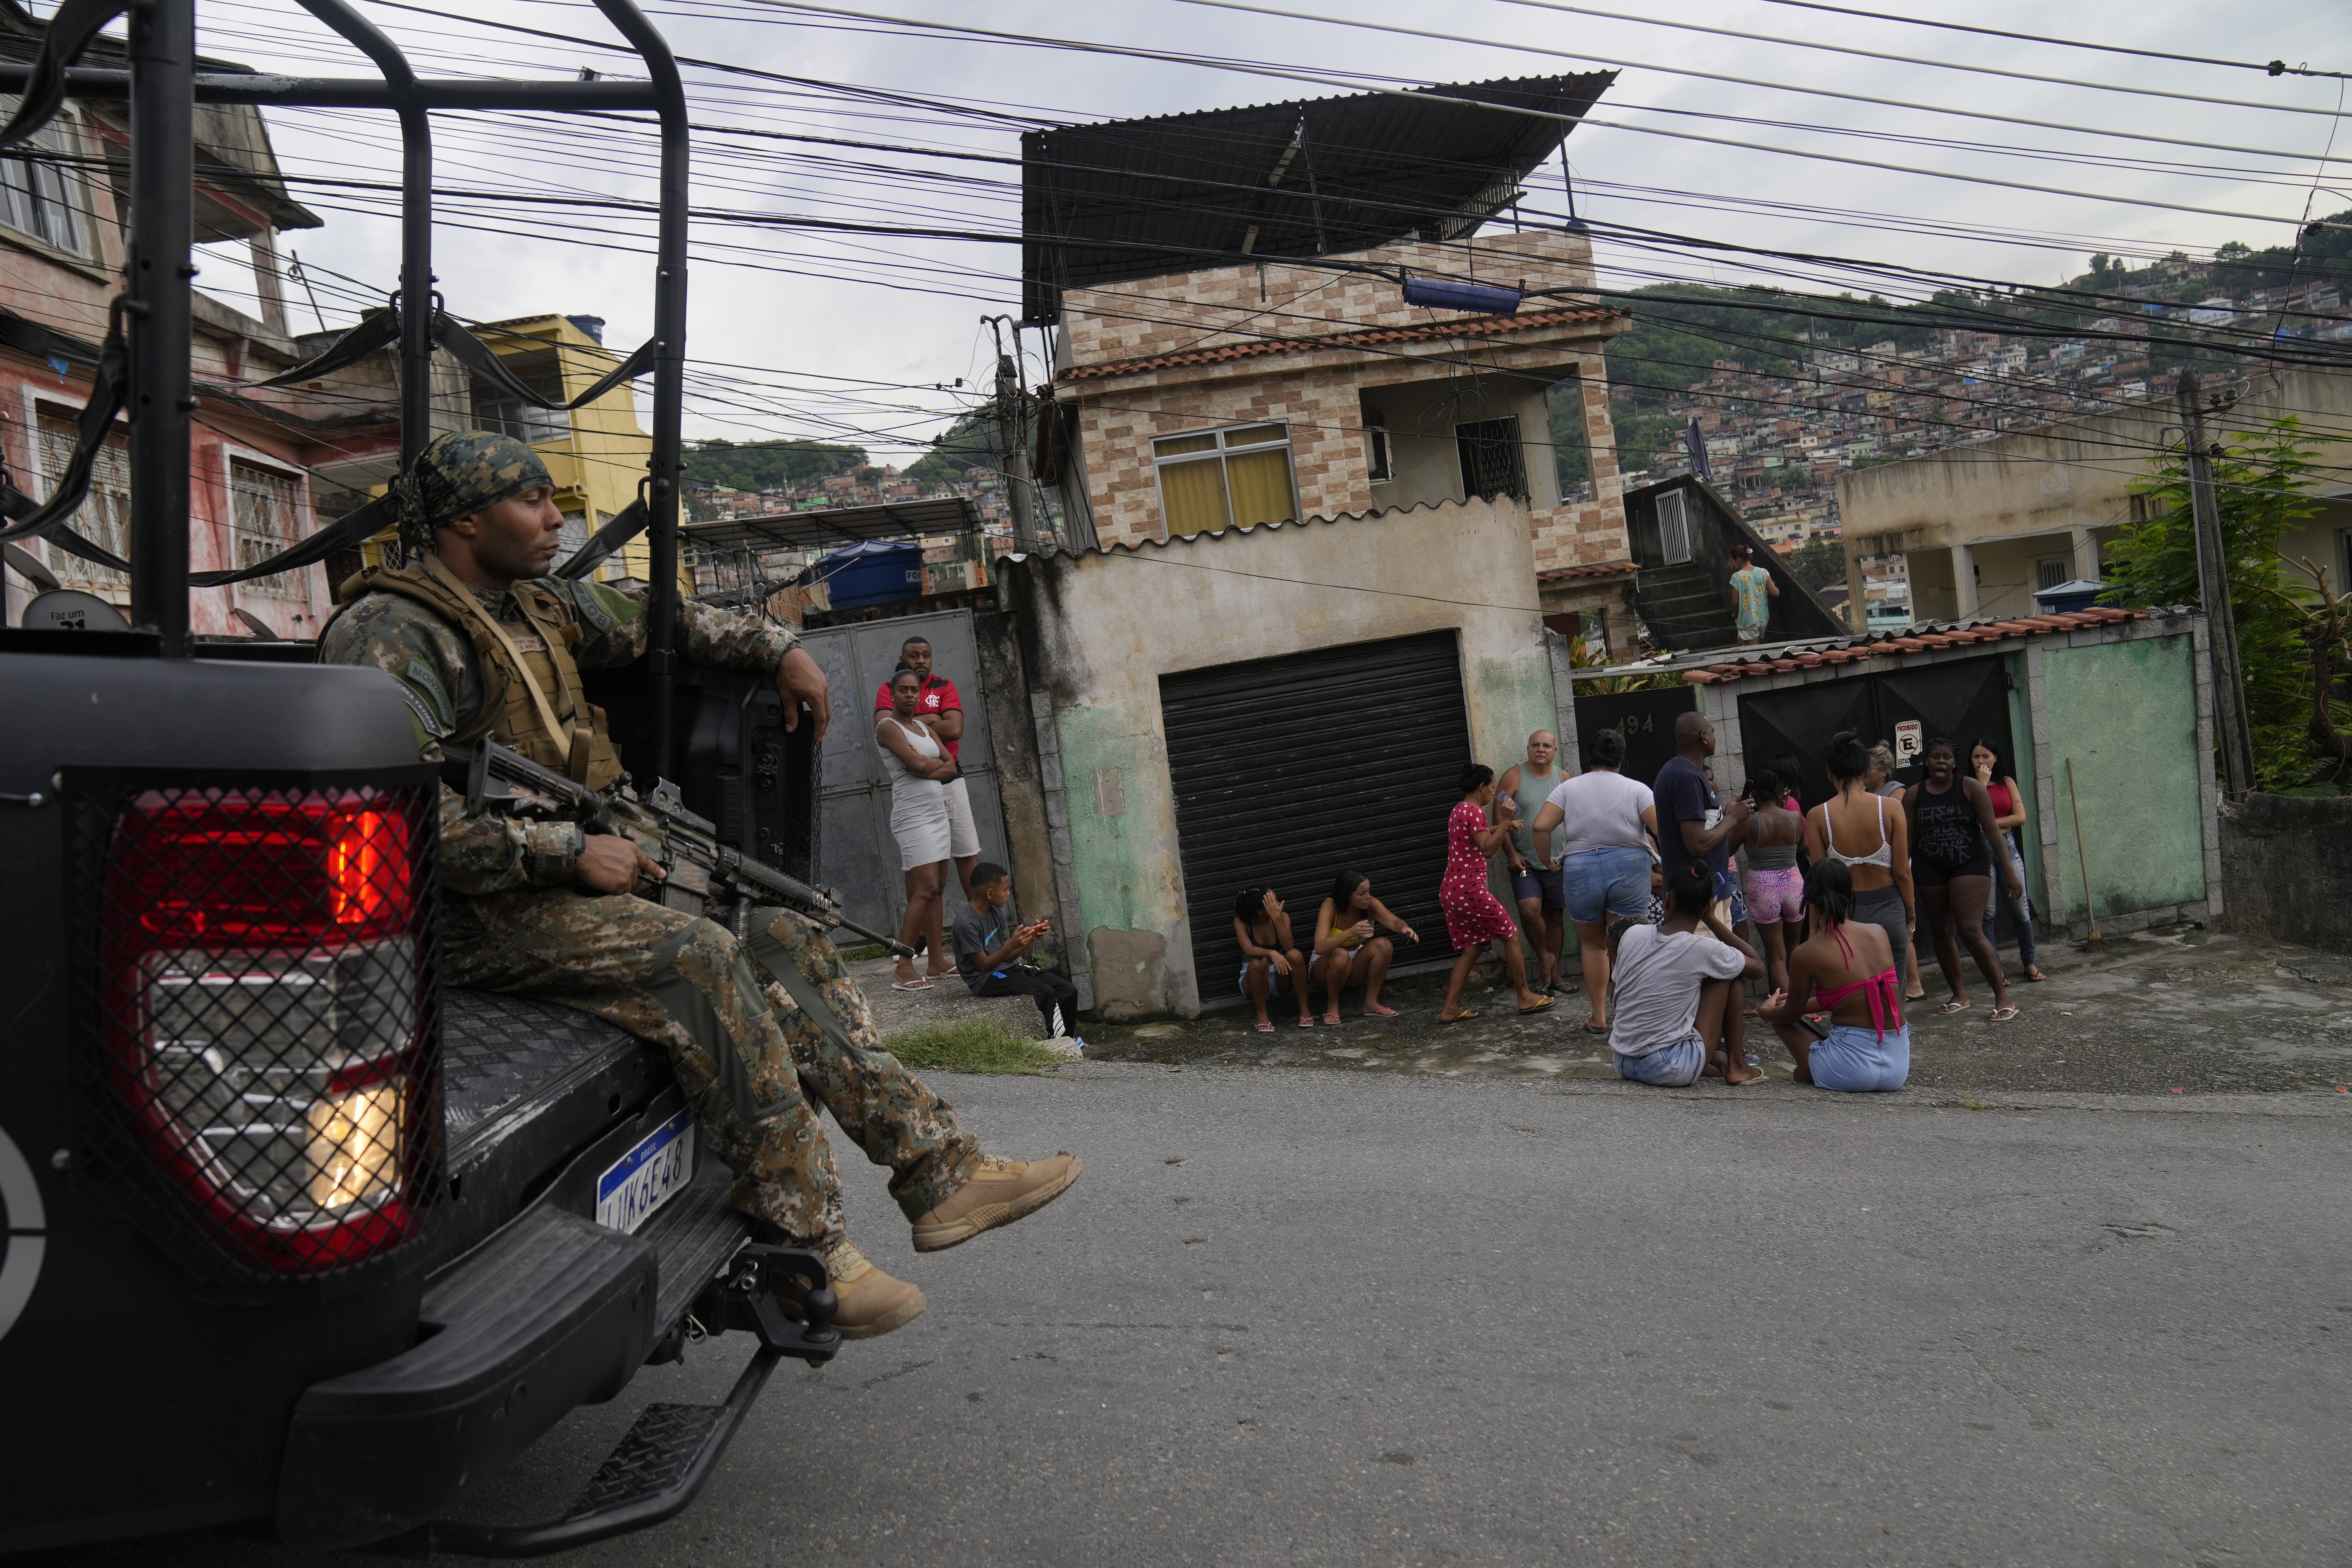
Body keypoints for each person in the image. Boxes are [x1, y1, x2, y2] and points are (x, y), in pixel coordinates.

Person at [321, 430, 1078, 1340]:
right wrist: (563, 854)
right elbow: (386, 824)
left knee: (786, 934)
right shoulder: (389, 637)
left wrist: (774, 647)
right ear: (465, 521)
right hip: (473, 915)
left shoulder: (532, 606)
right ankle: (808, 1250)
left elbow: (663, 619)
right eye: (532, 501)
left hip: (567, 879)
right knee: (703, 956)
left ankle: (941, 1175)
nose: (556, 516)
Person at [1525, 727, 1656, 1035]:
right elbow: (1659, 827)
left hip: (1580, 869)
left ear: (1589, 758)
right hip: (1629, 867)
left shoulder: (1569, 789)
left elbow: (1541, 827)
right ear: (1621, 760)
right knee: (1627, 943)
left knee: (1594, 944)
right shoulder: (1637, 789)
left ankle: (1599, 1018)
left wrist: (1548, 862)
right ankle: (1630, 1019)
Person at [1757, 859, 1910, 1091]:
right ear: (1850, 894)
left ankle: (1817, 1071)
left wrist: (1766, 1010)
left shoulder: (1806, 953)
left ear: (1808, 898)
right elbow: (1854, 995)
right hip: (1897, 1068)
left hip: (1853, 1071)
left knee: (1782, 1025)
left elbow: (1790, 1015)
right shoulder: (1878, 933)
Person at [1607, 864, 1764, 1085]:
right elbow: (1757, 967)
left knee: (1719, 969)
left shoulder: (1633, 934)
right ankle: (1736, 1065)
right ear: (1704, 909)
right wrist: (1711, 919)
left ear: (1668, 900)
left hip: (1623, 1062)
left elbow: (1617, 995)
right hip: (1667, 1066)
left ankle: (1719, 1061)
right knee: (1732, 973)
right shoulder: (1704, 948)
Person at [1905, 737, 2021, 1021]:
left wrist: (2009, 871)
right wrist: (1902, 876)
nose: (1941, 762)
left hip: (1969, 863)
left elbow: (1993, 831)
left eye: (1946, 757)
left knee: (1970, 929)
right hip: (1930, 868)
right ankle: (1959, 994)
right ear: (1928, 763)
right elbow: (1907, 841)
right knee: (1942, 932)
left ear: (1955, 762)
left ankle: (2003, 997)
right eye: (1935, 757)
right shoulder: (1914, 795)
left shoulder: (1971, 788)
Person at [1804, 730, 1916, 1011]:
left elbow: (1820, 883)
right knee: (1894, 996)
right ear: (1864, 773)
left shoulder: (1819, 816)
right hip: (1890, 909)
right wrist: (1911, 916)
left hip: (1845, 917)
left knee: (1852, 997)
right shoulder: (1890, 808)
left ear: (1831, 775)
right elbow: (1903, 872)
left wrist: (1813, 930)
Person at [1437, 764, 1553, 1022]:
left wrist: (1502, 827)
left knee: (1473, 948)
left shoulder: (1459, 810)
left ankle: (1450, 1008)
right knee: (1511, 935)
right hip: (1471, 890)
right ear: (1481, 787)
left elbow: (1476, 837)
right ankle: (1525, 997)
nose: (1493, 792)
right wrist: (1504, 822)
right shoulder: (1476, 812)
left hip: (1452, 891)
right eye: (1491, 787)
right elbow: (1488, 850)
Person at [872, 634, 982, 900]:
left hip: (950, 782)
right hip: (915, 792)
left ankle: (981, 926)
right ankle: (919, 940)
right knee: (920, 867)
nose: (921, 661)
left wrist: (917, 723)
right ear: (903, 660)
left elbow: (954, 729)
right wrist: (934, 719)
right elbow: (887, 726)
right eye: (914, 656)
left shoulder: (945, 686)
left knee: (966, 853)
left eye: (926, 655)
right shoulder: (888, 688)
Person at [875, 666, 959, 991]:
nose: (910, 695)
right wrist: (926, 767)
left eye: (915, 690)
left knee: (938, 888)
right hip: (912, 817)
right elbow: (920, 765)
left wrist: (926, 768)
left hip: (937, 814)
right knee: (924, 889)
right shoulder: (887, 727)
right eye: (904, 690)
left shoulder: (924, 729)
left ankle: (937, 961)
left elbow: (951, 766)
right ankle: (905, 966)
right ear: (893, 694)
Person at [953, 863, 1082, 1047]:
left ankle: (1068, 1040)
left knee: (1068, 990)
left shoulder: (996, 912)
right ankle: (1057, 1045)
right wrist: (1011, 946)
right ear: (990, 893)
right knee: (1044, 992)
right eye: (1005, 890)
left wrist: (1030, 939)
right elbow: (984, 966)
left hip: (1006, 968)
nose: (1008, 894)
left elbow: (1008, 956)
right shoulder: (966, 924)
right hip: (986, 979)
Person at [1656, 711, 1752, 922]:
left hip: (1706, 899)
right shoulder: (1687, 777)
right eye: (1712, 731)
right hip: (1697, 904)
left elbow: (1702, 829)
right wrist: (1732, 819)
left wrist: (1727, 814)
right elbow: (1697, 844)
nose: (1714, 737)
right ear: (1704, 737)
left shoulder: (1682, 772)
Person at [1498, 730, 1573, 995]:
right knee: (1530, 910)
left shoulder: (1563, 779)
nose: (1541, 749)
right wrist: (1511, 854)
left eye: (1547, 746)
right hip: (1524, 863)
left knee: (1555, 917)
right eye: (1536, 745)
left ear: (1555, 752)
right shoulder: (1514, 777)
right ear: (1528, 749)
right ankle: (1545, 959)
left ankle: (1553, 975)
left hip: (1557, 862)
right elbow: (1500, 819)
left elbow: (1574, 817)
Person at [1973, 736, 2046, 983]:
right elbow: (1972, 822)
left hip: (2008, 847)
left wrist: (1990, 825)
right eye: (1976, 756)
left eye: (1986, 756)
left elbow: (2021, 817)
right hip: (1981, 852)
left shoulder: (2007, 782)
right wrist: (1981, 785)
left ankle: (2030, 963)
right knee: (1989, 914)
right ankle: (1997, 972)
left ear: (1996, 758)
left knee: (2021, 911)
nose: (1981, 761)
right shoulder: (1968, 786)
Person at [1736, 767, 1806, 998]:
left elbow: (1726, 850)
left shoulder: (1748, 823)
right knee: (1794, 949)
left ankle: (1785, 1010)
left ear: (1754, 794)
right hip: (1793, 884)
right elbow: (1802, 847)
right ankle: (1802, 1007)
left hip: (1763, 887)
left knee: (1776, 956)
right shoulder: (1795, 818)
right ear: (1780, 793)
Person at [1314, 870, 1420, 1021]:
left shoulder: (1369, 904)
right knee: (1341, 955)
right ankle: (1332, 1005)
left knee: (1384, 945)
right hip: (1325, 966)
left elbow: (1393, 920)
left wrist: (1404, 928)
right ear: (1347, 895)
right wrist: (1351, 932)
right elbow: (1320, 947)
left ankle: (1371, 1003)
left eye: (1369, 891)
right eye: (1362, 893)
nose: (1368, 896)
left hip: (1353, 964)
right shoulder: (1330, 906)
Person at [1865, 741, 1926, 999]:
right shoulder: (1865, 791)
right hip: (1874, 863)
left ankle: (1914, 985)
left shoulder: (1896, 792)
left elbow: (1894, 830)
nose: (1864, 774)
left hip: (1894, 861)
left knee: (1901, 928)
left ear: (1884, 771)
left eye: (1868, 769)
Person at [1234, 886, 1315, 1031]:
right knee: (1260, 961)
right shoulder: (1242, 922)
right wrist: (1271, 953)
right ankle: (1262, 1017)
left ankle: (1305, 1011)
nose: (1279, 903)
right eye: (1273, 902)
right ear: (1260, 911)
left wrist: (1276, 918)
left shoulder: (1282, 917)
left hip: (1280, 975)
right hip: (1254, 977)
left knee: (1295, 954)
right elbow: (1248, 950)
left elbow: (1289, 947)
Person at [1728, 542, 1779, 644]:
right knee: (1742, 642)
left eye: (1732, 561)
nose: (1732, 564)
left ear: (1738, 560)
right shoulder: (1763, 572)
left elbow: (1735, 602)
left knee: (1754, 653)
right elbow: (1776, 593)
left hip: (1749, 619)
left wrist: (1735, 615)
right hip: (1763, 618)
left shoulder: (1737, 577)